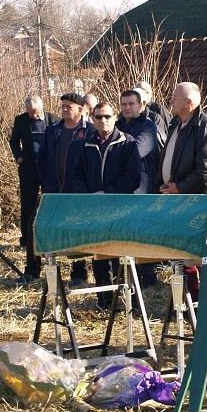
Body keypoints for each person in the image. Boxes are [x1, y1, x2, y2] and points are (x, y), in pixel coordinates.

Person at [67, 103, 141, 309]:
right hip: (94, 207)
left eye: (107, 116)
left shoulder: (127, 143)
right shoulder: (84, 145)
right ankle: (105, 301)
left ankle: (128, 302)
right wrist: (91, 197)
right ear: (92, 118)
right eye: (98, 117)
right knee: (99, 255)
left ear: (114, 118)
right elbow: (75, 176)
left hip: (120, 206)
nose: (103, 121)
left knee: (122, 256)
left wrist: (108, 193)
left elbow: (133, 177)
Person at [38, 93, 93, 286]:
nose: (64, 109)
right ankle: (51, 270)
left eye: (69, 106)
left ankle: (79, 272)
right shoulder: (53, 130)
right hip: (55, 189)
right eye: (62, 106)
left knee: (77, 229)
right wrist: (46, 181)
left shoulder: (89, 131)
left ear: (80, 109)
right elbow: (43, 158)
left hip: (78, 191)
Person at [11, 95, 60, 283]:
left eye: (36, 112)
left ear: (42, 108)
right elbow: (13, 141)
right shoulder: (21, 120)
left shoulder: (53, 119)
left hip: (47, 169)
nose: (34, 115)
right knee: (28, 205)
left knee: (48, 203)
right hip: (29, 168)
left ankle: (48, 241)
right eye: (30, 112)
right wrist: (19, 157)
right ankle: (27, 238)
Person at [116, 88, 162, 288]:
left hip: (141, 188)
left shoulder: (148, 127)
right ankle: (127, 277)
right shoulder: (115, 124)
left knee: (142, 234)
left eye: (131, 104)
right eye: (124, 104)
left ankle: (148, 279)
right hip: (119, 187)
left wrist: (114, 149)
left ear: (141, 105)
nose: (127, 107)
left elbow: (137, 151)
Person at [157, 82, 207, 195]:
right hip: (173, 196)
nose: (171, 101)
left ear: (188, 103)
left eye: (175, 97)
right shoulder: (175, 124)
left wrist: (180, 188)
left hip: (198, 201)